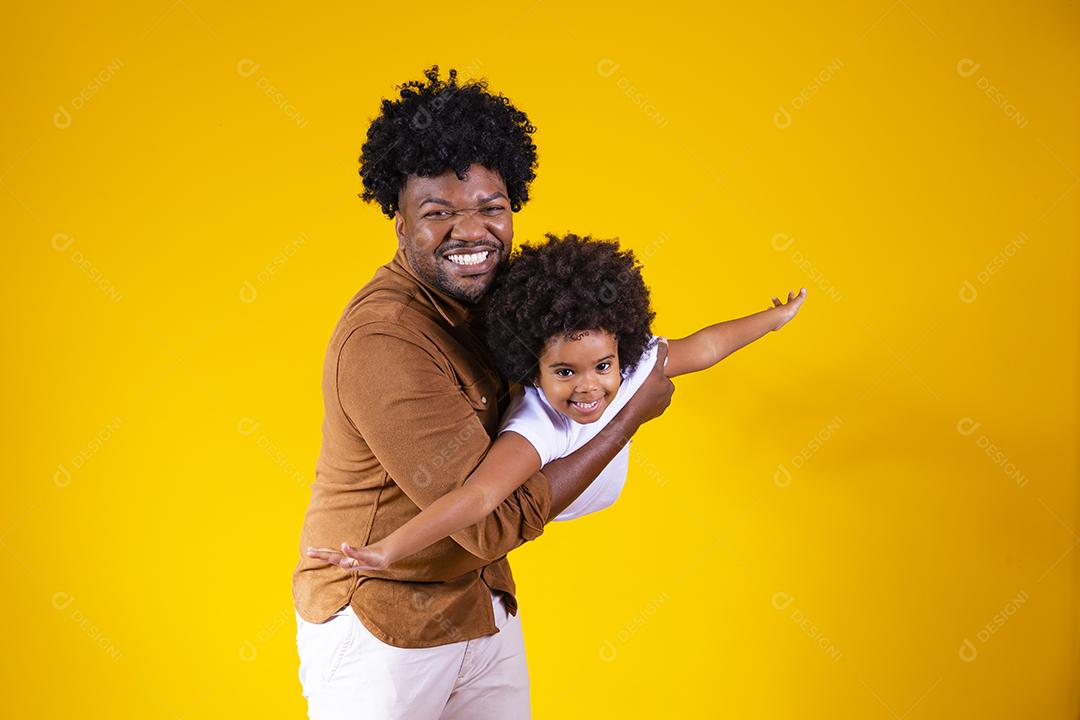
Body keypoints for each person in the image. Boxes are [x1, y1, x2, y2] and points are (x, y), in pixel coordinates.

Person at [292, 67, 674, 720]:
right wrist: (629, 414)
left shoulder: (507, 299)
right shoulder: (386, 340)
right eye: (438, 213)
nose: (471, 233)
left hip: (479, 604)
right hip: (379, 628)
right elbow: (487, 520)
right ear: (399, 218)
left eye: (490, 209)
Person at [308, 233, 806, 573]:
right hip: (549, 497)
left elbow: (708, 346)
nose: (588, 388)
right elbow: (478, 498)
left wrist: (774, 319)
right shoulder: (536, 426)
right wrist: (387, 551)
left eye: (601, 367)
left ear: (620, 349)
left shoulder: (630, 365)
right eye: (564, 373)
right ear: (533, 366)